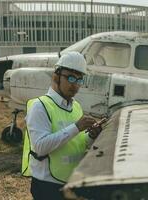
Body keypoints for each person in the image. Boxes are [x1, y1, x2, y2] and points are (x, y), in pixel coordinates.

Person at [21, 51, 102, 200]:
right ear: (56, 76)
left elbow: (78, 143)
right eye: (70, 78)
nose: (75, 84)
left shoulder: (76, 106)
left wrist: (91, 135)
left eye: (79, 80)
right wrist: (77, 127)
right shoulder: (40, 106)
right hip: (48, 185)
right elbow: (40, 147)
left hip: (70, 181)